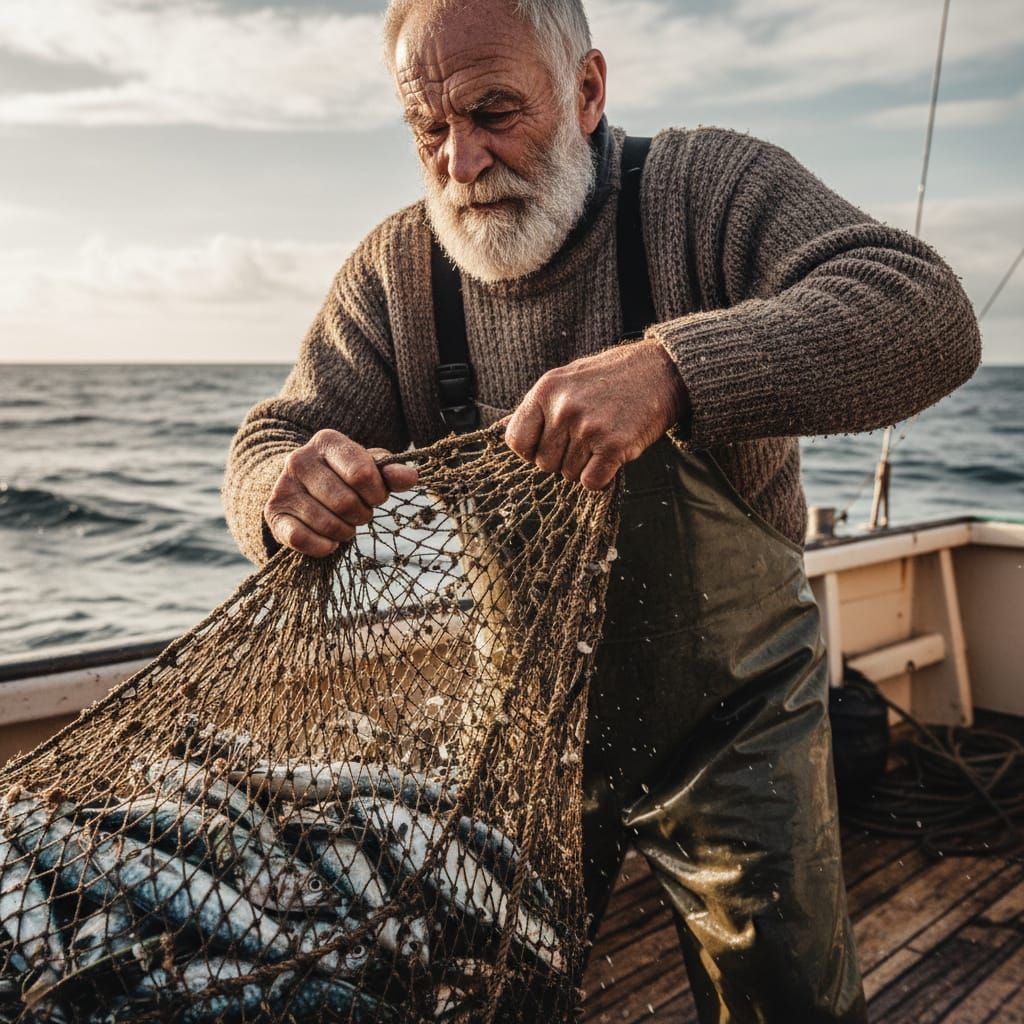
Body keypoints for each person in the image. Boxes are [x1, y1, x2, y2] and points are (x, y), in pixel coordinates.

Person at [223, 1, 981, 1020]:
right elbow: (273, 437)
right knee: (483, 993)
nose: (462, 161)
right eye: (429, 130)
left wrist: (675, 368)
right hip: (522, 722)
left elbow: (924, 310)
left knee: (783, 997)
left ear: (585, 91)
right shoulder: (398, 273)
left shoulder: (704, 190)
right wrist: (279, 494)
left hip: (738, 713)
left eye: (495, 111)